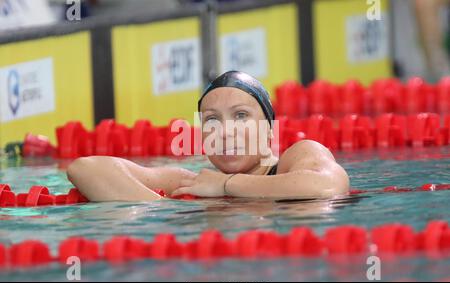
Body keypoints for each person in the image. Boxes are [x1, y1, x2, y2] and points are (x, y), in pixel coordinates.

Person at [67, 71, 349, 201]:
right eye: (212, 120)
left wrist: (226, 185)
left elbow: (328, 184)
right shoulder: (189, 184)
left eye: (241, 116)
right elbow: (86, 168)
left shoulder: (294, 159)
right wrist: (166, 209)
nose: (225, 132)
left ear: (268, 128)